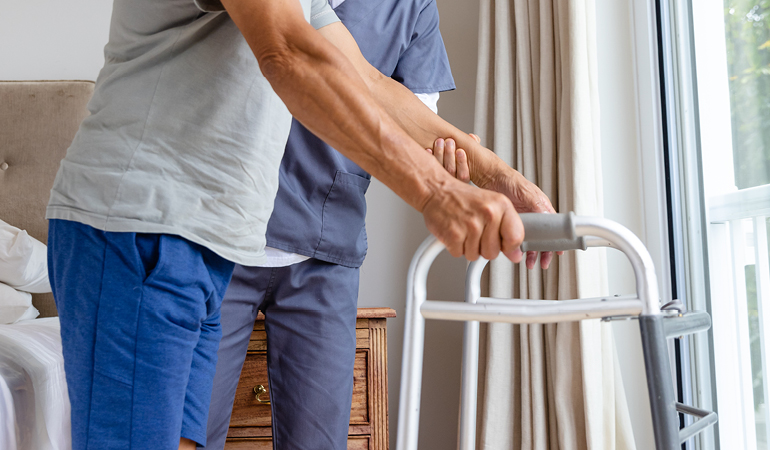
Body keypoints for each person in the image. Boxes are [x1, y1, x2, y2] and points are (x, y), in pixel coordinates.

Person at [45, 1, 556, 450]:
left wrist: (494, 173)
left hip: (204, 242)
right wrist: (435, 191)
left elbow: (362, 79)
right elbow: (287, 53)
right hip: (140, 228)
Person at [200, 1, 470, 448]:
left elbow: (415, 126)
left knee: (318, 441)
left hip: (326, 248)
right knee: (187, 431)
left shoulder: (410, 7)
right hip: (222, 237)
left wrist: (460, 166)